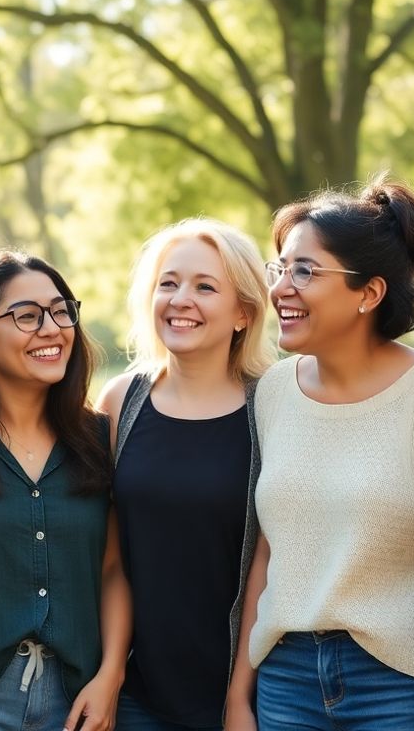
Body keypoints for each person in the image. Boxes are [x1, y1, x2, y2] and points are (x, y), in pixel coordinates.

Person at [228, 178, 414, 730]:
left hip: (407, 686)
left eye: (305, 272)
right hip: (285, 681)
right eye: (280, 268)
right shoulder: (274, 391)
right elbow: (268, 551)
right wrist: (239, 695)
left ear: (369, 293)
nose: (281, 288)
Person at [0, 250, 131, 731]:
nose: (52, 329)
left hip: (76, 701)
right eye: (27, 316)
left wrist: (110, 676)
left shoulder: (99, 436)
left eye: (61, 311)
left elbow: (113, 568)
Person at [96, 219, 276, 730]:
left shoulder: (273, 407)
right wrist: (110, 673)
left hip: (246, 696)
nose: (180, 300)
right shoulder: (120, 402)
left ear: (243, 313)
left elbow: (271, 563)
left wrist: (239, 700)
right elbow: (111, 559)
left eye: (205, 287)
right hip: (139, 696)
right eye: (168, 283)